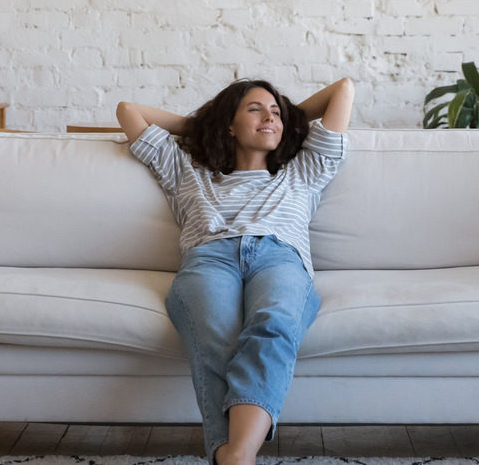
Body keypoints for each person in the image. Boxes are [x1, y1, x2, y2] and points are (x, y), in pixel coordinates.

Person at [116, 77, 355, 465]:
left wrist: (288, 118)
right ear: (229, 123)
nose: (269, 117)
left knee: (274, 322)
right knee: (216, 341)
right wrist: (207, 123)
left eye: (276, 112)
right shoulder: (188, 170)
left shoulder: (304, 169)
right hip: (210, 257)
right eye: (255, 109)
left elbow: (343, 90)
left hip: (279, 256)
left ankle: (235, 456)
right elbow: (129, 111)